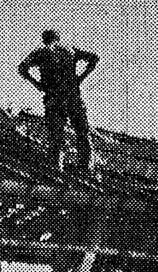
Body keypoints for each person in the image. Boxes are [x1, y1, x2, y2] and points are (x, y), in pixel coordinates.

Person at [18, 30, 98, 171]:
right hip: (73, 97)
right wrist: (80, 78)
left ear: (44, 40)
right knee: (82, 132)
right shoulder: (71, 50)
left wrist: (37, 84)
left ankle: (56, 167)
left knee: (56, 136)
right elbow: (94, 58)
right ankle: (86, 166)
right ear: (58, 39)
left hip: (54, 98)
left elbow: (22, 68)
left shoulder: (40, 53)